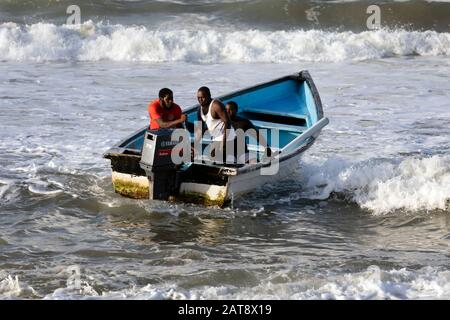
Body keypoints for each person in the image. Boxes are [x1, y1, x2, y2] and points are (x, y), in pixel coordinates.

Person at [196, 86, 237, 163]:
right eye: (198, 98)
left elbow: (227, 122)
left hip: (228, 137)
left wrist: (224, 143)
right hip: (216, 138)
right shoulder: (199, 110)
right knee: (212, 159)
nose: (200, 100)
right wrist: (195, 145)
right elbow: (200, 129)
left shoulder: (216, 105)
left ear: (209, 96)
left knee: (223, 160)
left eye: (203, 97)